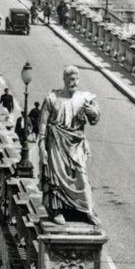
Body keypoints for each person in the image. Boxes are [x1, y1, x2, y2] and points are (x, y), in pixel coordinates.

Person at [38, 66, 101, 223]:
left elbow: (95, 118)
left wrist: (93, 112)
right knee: (57, 178)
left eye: (77, 79)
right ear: (64, 80)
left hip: (76, 144)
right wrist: (41, 147)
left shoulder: (85, 98)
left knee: (81, 177)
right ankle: (57, 210)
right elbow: (43, 125)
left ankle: (87, 209)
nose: (75, 82)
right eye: (71, 79)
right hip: (56, 143)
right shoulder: (52, 98)